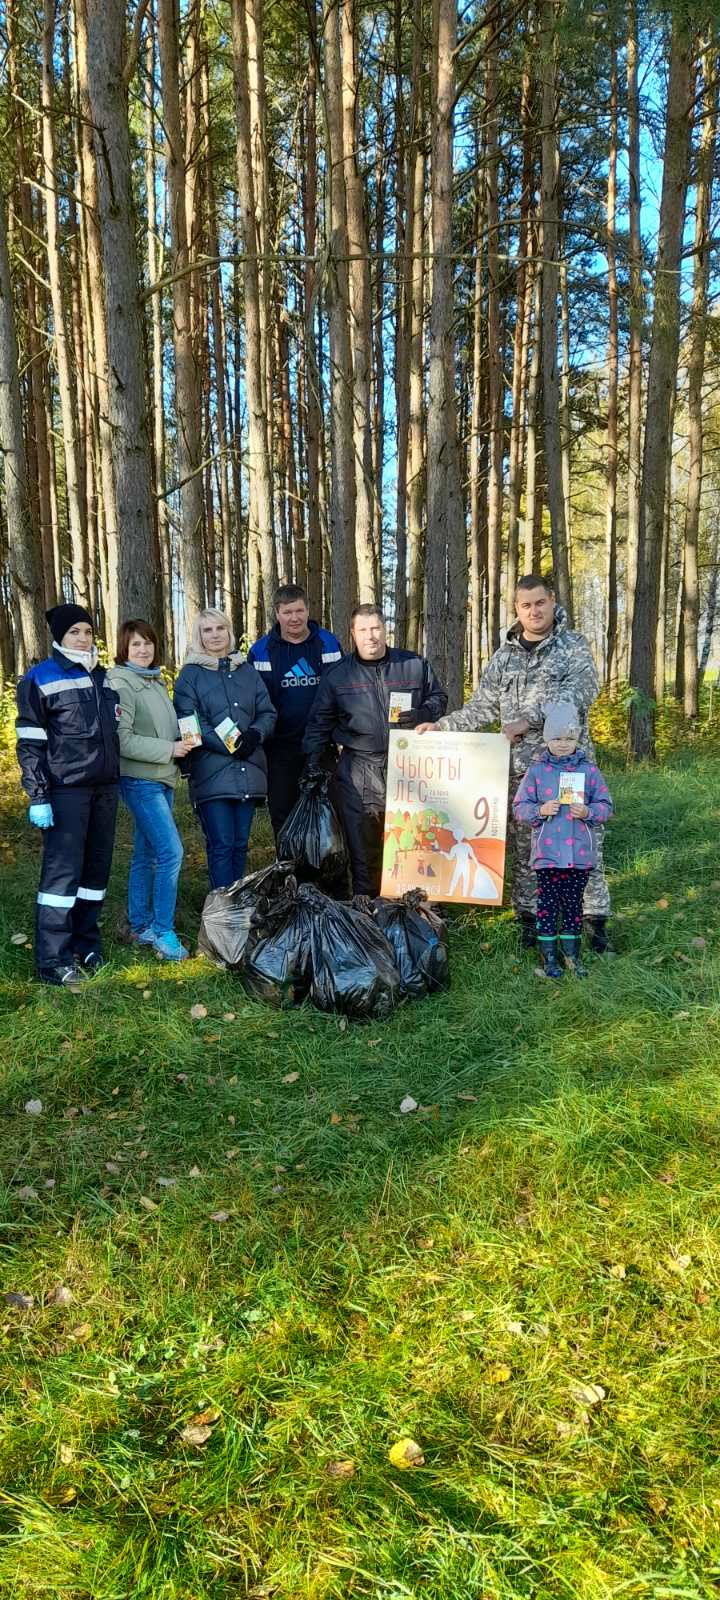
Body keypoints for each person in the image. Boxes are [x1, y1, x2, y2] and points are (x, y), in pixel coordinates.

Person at [417, 574, 610, 951]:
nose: (534, 611)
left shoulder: (572, 645)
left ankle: (594, 922)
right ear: (517, 610)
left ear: (552, 601)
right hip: (525, 773)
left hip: (570, 770)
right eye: (526, 605)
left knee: (582, 844)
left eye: (540, 602)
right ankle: (530, 918)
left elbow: (582, 691)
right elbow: (482, 705)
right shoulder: (504, 657)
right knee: (527, 848)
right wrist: (439, 727)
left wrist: (531, 718)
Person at [303, 604, 447, 895]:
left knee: (411, 846)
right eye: (363, 630)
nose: (371, 636)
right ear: (353, 634)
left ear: (385, 629)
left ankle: (412, 913)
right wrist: (312, 767)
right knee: (364, 853)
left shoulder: (413, 665)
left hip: (409, 769)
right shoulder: (338, 675)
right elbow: (318, 724)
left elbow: (438, 697)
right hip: (359, 772)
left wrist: (422, 713)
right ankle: (368, 916)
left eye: (376, 628)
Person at [15, 603, 120, 987]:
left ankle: (86, 943)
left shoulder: (103, 678)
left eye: (88, 632)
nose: (83, 638)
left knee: (95, 874)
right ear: (59, 636)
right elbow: (30, 742)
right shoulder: (40, 678)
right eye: (75, 631)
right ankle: (53, 960)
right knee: (62, 878)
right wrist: (39, 795)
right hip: (65, 791)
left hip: (105, 789)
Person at [108, 620, 195, 961]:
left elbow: (165, 728)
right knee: (171, 852)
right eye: (135, 645)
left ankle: (140, 925)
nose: (143, 650)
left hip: (161, 778)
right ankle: (163, 931)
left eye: (148, 643)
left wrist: (183, 742)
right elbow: (122, 739)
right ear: (124, 650)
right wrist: (169, 750)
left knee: (145, 854)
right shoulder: (121, 682)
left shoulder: (154, 680)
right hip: (140, 780)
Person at [174, 608, 276, 888]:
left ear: (229, 632)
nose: (215, 635)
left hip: (249, 769)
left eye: (220, 628)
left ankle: (238, 908)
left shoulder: (247, 671)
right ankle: (221, 914)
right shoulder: (190, 675)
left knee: (240, 844)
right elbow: (189, 720)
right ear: (199, 636)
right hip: (210, 771)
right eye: (207, 630)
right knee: (221, 844)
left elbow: (267, 712)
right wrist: (231, 744)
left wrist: (255, 735)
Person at [513, 701, 613, 978]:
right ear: (546, 738)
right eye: (556, 738)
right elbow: (520, 807)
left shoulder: (589, 771)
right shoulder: (536, 771)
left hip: (579, 857)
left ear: (577, 738)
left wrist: (589, 811)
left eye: (569, 738)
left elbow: (606, 806)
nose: (562, 744)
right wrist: (540, 810)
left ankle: (572, 955)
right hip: (547, 856)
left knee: (572, 907)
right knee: (546, 907)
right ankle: (549, 959)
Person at [247, 583, 343, 838]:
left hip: (322, 745)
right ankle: (288, 872)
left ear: (308, 610)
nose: (294, 618)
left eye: (299, 611)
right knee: (283, 813)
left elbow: (342, 691)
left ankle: (323, 874)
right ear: (277, 614)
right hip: (279, 749)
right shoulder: (261, 650)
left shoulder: (328, 643)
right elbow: (254, 701)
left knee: (326, 813)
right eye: (287, 612)